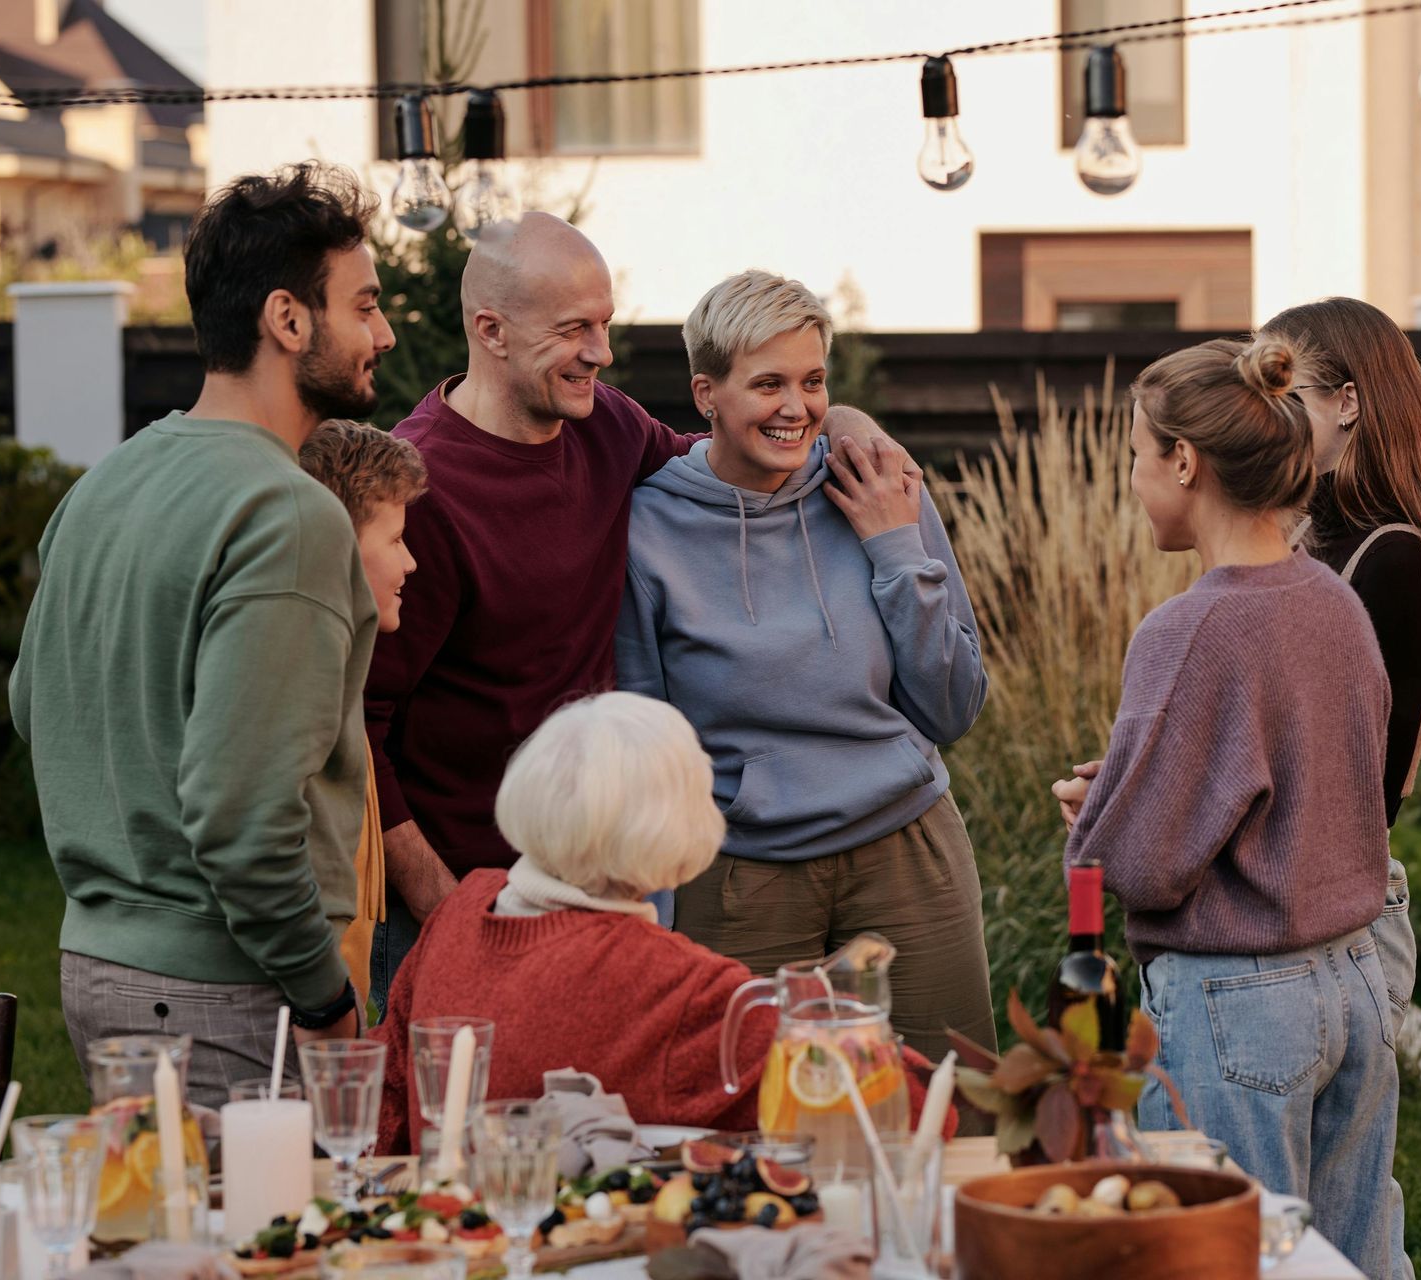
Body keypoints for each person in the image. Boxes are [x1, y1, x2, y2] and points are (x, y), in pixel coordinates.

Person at [361, 216, 908, 1011]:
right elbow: (357, 727)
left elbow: (722, 454)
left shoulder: (605, 425)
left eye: (605, 324)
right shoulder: (424, 491)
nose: (602, 352)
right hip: (472, 898)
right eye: (573, 329)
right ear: (492, 331)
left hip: (612, 885)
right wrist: (443, 909)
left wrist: (848, 424)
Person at [10, 163, 394, 1106]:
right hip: (229, 994)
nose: (383, 332)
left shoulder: (105, 480)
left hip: (98, 968)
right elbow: (240, 816)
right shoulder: (290, 514)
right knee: (253, 1254)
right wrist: (325, 997)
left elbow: (33, 703)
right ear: (288, 320)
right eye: (366, 305)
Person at [1051, 335, 1396, 1277]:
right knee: (1353, 1262)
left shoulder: (1188, 628)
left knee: (1218, 1261)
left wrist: (1094, 815)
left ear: (1185, 462)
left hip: (1239, 1005)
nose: (1129, 480)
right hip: (1353, 984)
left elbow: (1140, 865)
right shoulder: (1334, 601)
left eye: (1133, 456)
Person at [615, 270, 995, 1066]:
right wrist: (647, 914)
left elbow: (954, 706)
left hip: (907, 850)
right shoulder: (648, 527)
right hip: (737, 873)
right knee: (750, 1118)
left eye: (813, 380)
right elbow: (643, 735)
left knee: (955, 1107)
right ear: (706, 393)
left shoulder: (875, 482)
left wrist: (895, 545)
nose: (797, 407)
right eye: (768, 384)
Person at [372, 692, 956, 1151]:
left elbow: (387, 1110)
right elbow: (906, 1104)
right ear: (674, 828)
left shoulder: (459, 911)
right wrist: (830, 1018)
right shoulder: (673, 982)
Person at [1263, 296, 1421, 1280]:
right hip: (1310, 893)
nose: (1266, 418)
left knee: (1340, 1217)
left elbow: (1345, 772)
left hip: (1338, 906)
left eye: (1285, 395)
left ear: (1346, 402)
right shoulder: (1321, 541)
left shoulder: (1388, 558)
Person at [296, 420, 428, 1002]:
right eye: (396, 539)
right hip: (298, 1008)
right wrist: (323, 1004)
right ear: (339, 544)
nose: (411, 563)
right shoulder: (299, 677)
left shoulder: (343, 664)